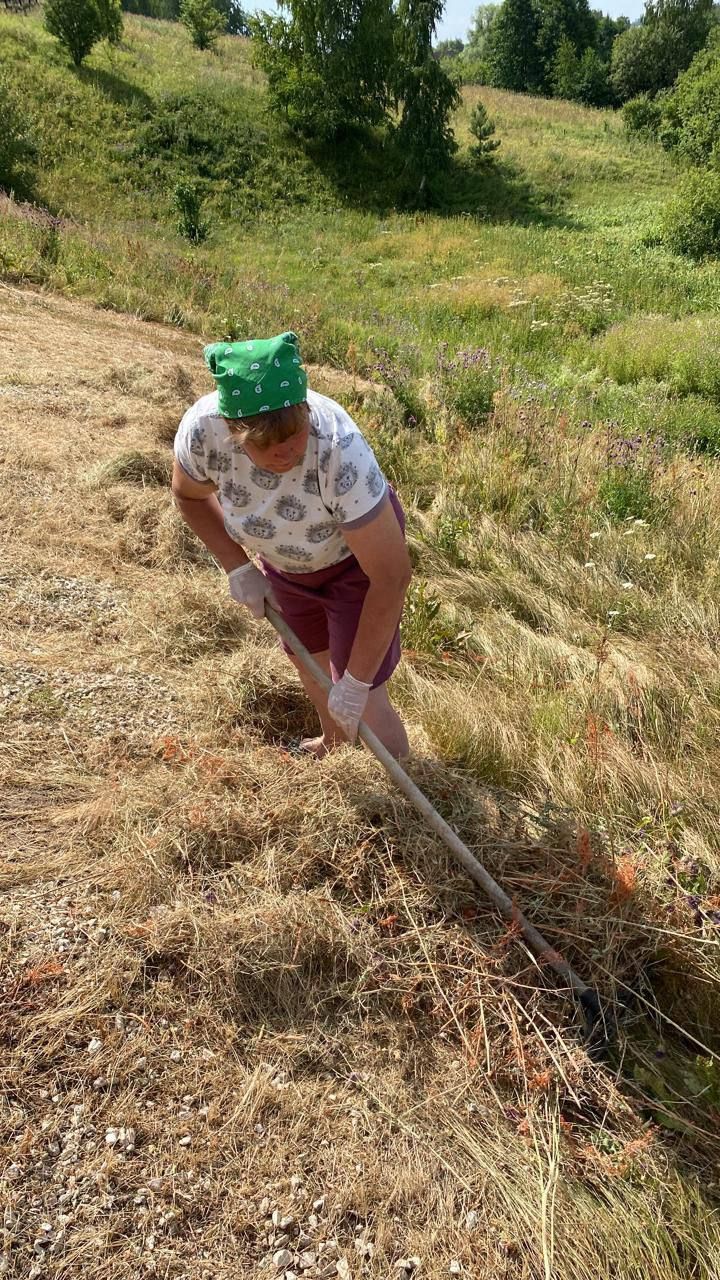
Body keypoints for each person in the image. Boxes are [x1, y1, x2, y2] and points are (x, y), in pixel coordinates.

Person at [171, 331, 412, 759]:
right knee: (313, 667)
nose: (286, 452)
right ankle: (334, 748)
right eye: (266, 444)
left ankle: (406, 801)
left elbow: (391, 577)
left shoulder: (337, 451)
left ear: (304, 409)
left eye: (295, 434)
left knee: (367, 700)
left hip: (356, 567)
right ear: (233, 430)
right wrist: (238, 566)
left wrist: (356, 682)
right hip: (285, 566)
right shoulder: (203, 434)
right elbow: (188, 494)